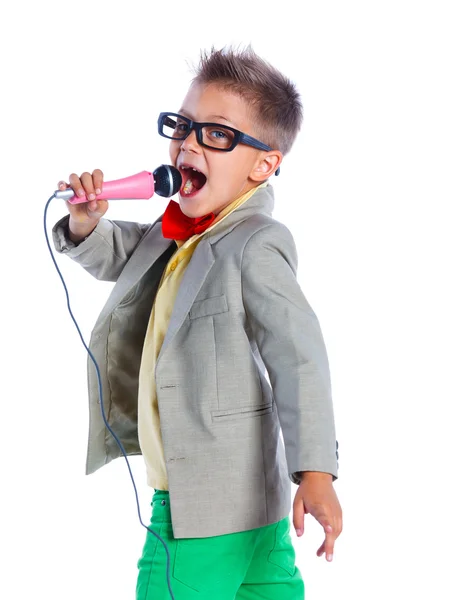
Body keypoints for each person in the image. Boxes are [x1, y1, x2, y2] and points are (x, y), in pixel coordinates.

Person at [52, 45, 342, 600]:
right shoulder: (182, 228)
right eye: (183, 126)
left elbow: (299, 354)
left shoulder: (255, 243)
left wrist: (317, 472)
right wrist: (87, 224)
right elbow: (122, 254)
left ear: (264, 164)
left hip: (199, 505)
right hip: (257, 512)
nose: (187, 142)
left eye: (217, 134)